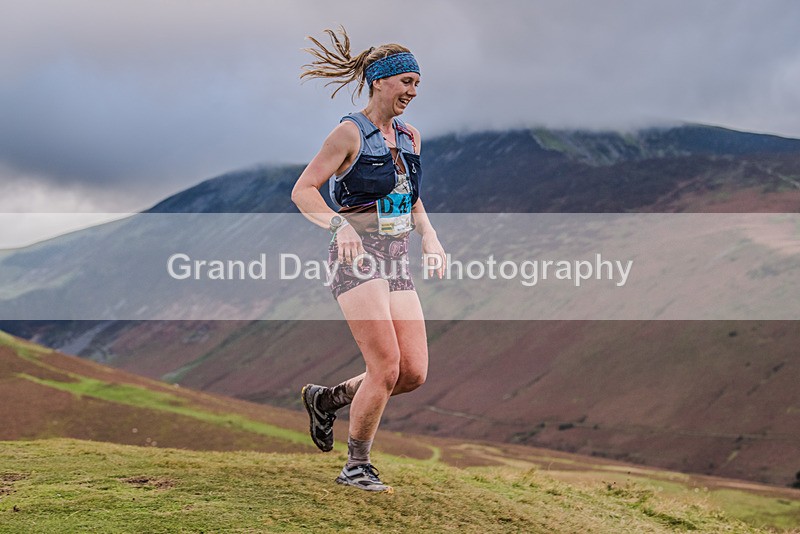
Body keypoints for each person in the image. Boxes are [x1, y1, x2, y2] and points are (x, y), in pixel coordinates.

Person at [291, 27, 446, 493]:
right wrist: (337, 226)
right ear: (380, 81)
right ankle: (356, 466)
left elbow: (410, 198)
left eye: (418, 84)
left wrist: (431, 238)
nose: (413, 92)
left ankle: (328, 399)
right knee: (385, 366)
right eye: (406, 82)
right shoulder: (347, 133)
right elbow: (303, 190)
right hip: (356, 260)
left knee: (412, 372)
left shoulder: (410, 137)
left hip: (396, 260)